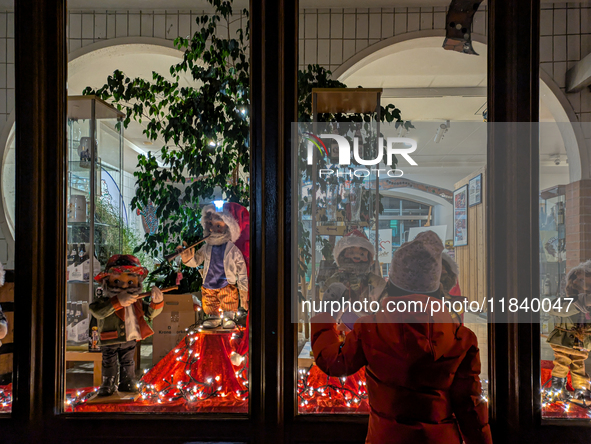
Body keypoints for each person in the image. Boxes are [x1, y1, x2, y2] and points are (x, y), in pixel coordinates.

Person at [311, 231, 492, 444]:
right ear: (435, 287)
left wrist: (325, 316)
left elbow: (334, 361)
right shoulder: (461, 337)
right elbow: (469, 408)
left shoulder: (371, 328)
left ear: (391, 284)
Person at [90, 255, 164, 397]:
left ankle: (127, 381)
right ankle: (108, 383)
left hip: (130, 337)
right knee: (109, 362)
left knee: (128, 360)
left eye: (130, 281)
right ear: (107, 281)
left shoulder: (137, 301)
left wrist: (157, 303)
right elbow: (96, 311)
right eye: (117, 281)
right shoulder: (105, 300)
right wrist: (117, 302)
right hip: (110, 337)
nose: (124, 286)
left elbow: (150, 313)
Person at [180, 203, 249, 329]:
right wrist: (187, 259)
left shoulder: (232, 249)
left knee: (228, 300)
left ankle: (229, 317)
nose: (213, 229)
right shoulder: (206, 247)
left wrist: (243, 289)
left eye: (218, 225)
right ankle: (213, 316)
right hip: (208, 284)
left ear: (228, 227)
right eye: (210, 224)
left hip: (226, 284)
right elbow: (196, 261)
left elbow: (242, 270)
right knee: (210, 302)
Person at [546, 260, 591, 402]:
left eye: (582, 279)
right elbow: (553, 308)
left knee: (578, 365)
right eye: (576, 278)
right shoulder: (566, 300)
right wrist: (579, 303)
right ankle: (557, 386)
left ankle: (581, 390)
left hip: (581, 342)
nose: (577, 282)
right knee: (561, 362)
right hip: (563, 339)